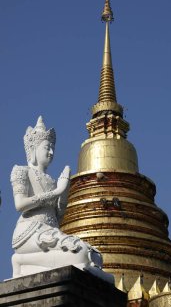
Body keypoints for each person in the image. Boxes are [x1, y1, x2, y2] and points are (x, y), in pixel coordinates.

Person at [10, 116, 106, 279]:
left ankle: (24, 261)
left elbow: (58, 216)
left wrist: (64, 192)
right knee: (80, 254)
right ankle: (19, 261)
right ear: (34, 148)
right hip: (29, 232)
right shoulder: (21, 171)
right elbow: (20, 205)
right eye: (47, 147)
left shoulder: (52, 181)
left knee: (93, 255)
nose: (51, 152)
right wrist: (56, 192)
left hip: (51, 230)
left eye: (53, 147)